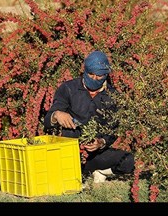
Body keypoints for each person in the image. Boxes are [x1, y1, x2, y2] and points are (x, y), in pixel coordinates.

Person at [43, 50, 135, 183]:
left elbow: (113, 130)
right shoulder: (68, 88)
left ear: (106, 74)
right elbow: (47, 120)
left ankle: (100, 171)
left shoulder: (113, 96)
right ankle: (80, 171)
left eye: (99, 76)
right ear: (85, 70)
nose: (94, 78)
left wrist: (101, 142)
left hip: (95, 154)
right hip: (69, 151)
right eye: (91, 74)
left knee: (128, 161)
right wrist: (57, 115)